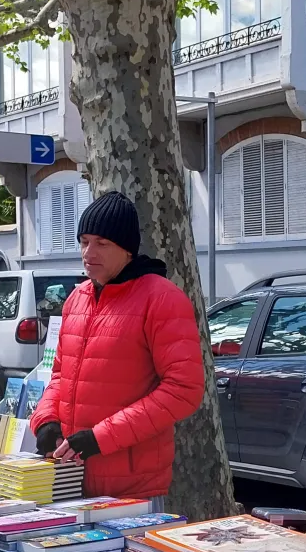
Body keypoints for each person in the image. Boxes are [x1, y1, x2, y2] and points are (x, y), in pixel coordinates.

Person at [30, 191, 204, 505]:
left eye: (102, 243)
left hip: (134, 492)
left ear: (126, 249)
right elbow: (59, 376)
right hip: (69, 481)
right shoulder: (76, 299)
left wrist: (99, 438)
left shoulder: (162, 299)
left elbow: (184, 390)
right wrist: (45, 421)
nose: (88, 252)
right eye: (84, 241)